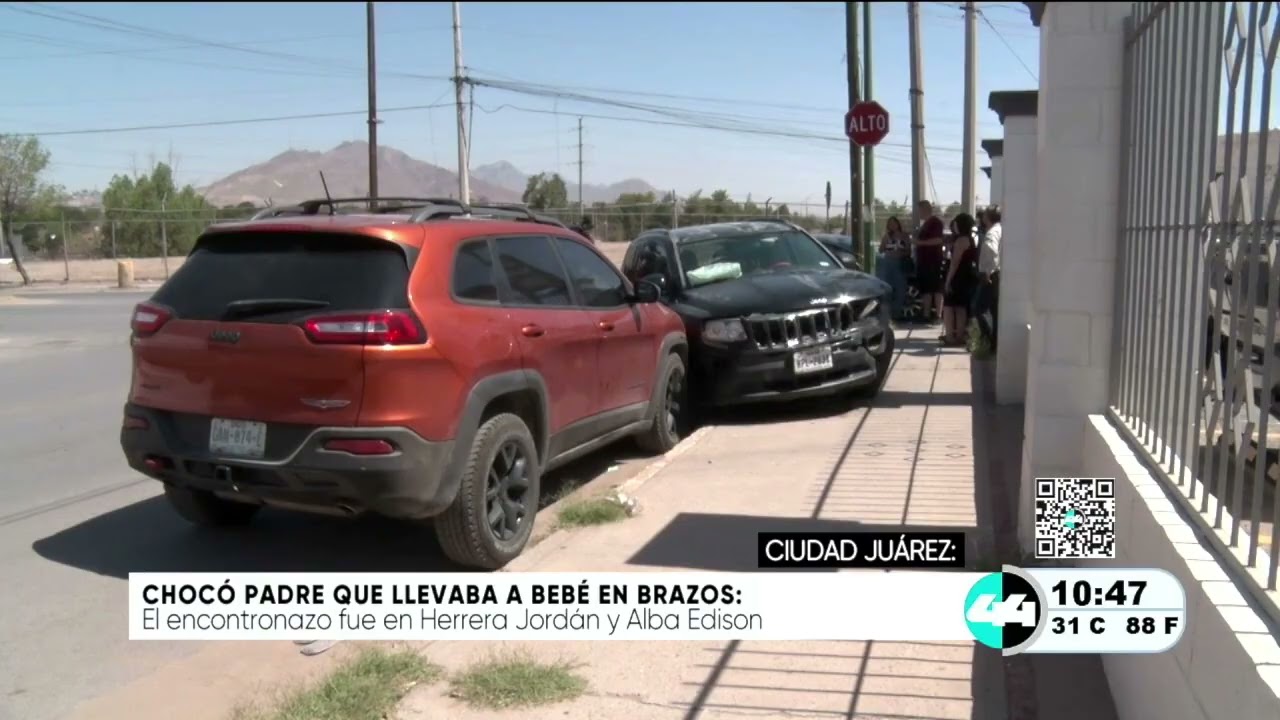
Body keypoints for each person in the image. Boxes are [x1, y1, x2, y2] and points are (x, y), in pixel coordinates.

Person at [942, 212, 980, 346]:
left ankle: (950, 336)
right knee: (960, 307)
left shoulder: (960, 240)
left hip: (957, 275)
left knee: (949, 306)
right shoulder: (970, 239)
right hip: (966, 275)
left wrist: (948, 280)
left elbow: (955, 262)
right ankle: (959, 335)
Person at [912, 200, 946, 324]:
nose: (919, 213)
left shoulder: (935, 223)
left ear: (926, 209)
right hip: (923, 261)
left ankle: (938, 315)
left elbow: (938, 240)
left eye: (920, 210)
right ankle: (926, 314)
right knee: (926, 288)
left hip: (933, 260)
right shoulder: (925, 224)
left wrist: (920, 242)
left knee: (936, 288)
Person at [973, 207, 1002, 350]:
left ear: (988, 216)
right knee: (995, 310)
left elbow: (991, 250)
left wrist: (988, 271)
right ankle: (994, 343)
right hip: (997, 273)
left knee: (979, 308)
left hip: (990, 274)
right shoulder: (1000, 229)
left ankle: (988, 338)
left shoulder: (992, 232)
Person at [874, 216, 911, 321]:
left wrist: (900, 252)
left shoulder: (904, 236)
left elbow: (908, 251)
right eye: (890, 224)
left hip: (900, 263)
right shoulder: (887, 236)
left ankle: (897, 312)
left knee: (900, 288)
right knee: (887, 288)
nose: (892, 225)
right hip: (888, 263)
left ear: (898, 224)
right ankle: (887, 313)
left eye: (894, 223)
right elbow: (881, 250)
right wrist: (886, 244)